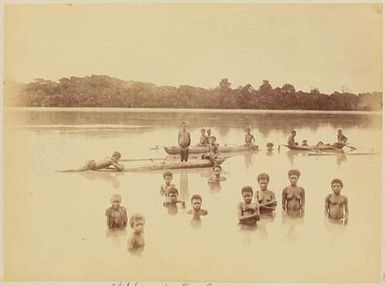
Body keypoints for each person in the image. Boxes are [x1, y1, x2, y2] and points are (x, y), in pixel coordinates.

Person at [58, 151, 124, 172]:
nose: (117, 160)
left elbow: (104, 164)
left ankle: (62, 170)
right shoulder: (111, 161)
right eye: (117, 158)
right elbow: (120, 169)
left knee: (76, 169)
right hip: (92, 165)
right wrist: (119, 166)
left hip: (92, 162)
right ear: (114, 157)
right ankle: (61, 171)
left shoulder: (108, 158)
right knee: (76, 170)